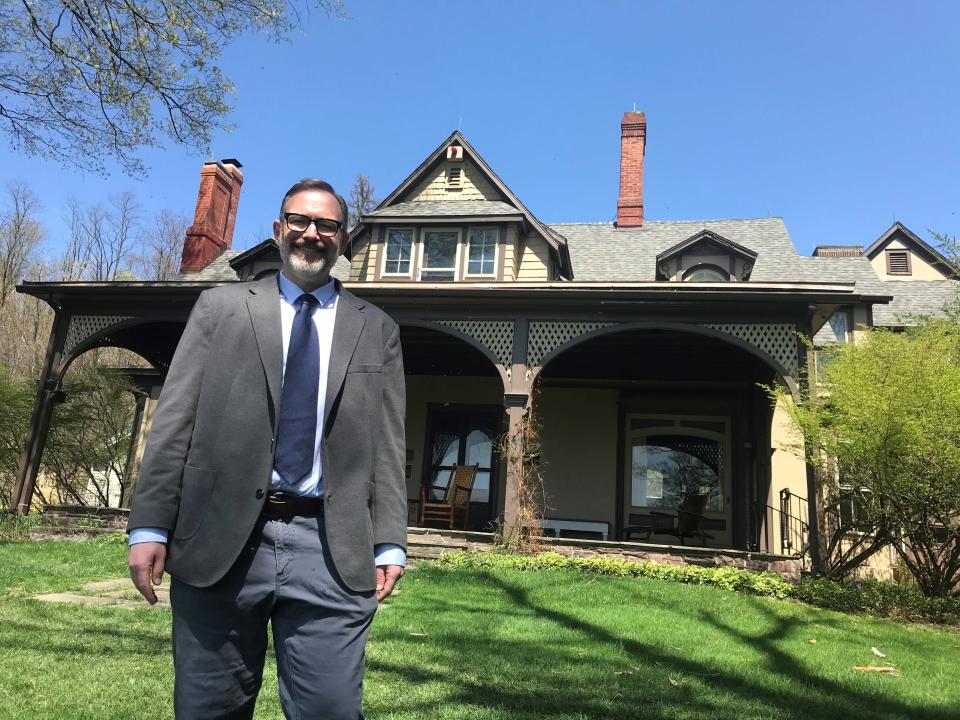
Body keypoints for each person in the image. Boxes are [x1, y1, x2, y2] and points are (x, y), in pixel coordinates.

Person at [127, 178, 407, 719]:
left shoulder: (377, 330)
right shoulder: (220, 308)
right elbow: (174, 424)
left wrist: (391, 539)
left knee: (330, 709)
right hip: (219, 542)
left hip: (331, 549)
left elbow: (388, 445)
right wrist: (149, 525)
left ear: (343, 239)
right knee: (209, 709)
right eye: (299, 221)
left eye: (326, 225)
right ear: (280, 230)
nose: (311, 234)